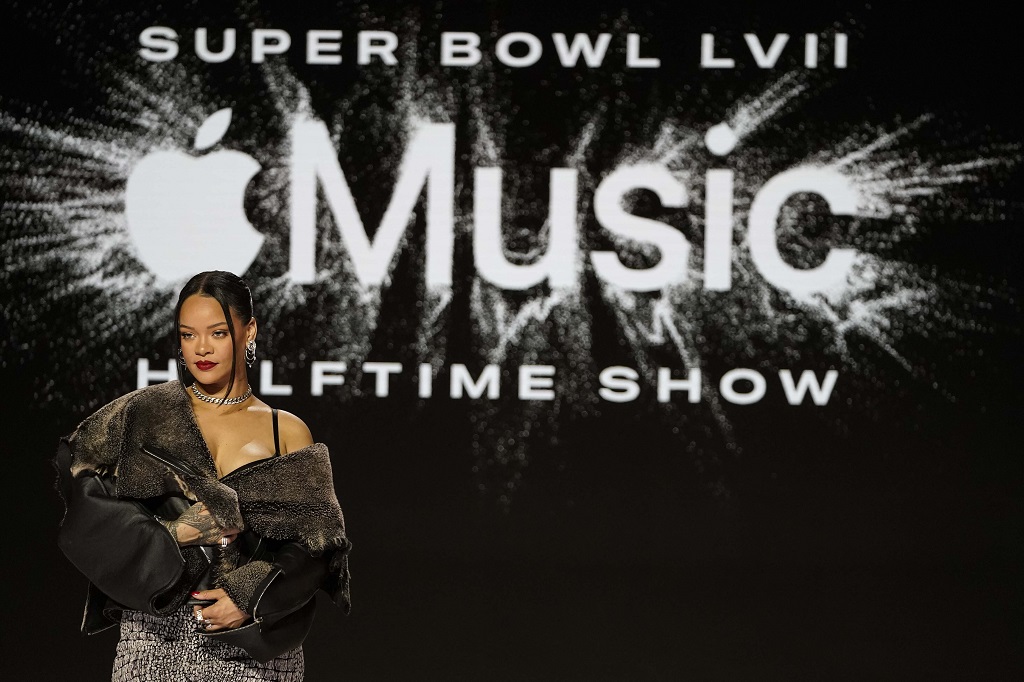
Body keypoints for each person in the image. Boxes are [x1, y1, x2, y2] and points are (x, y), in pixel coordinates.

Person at [55, 271, 351, 682]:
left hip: (249, 646)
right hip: (154, 639)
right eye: (188, 335)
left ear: (249, 332)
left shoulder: (285, 430)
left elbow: (317, 546)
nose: (202, 348)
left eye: (217, 332)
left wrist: (249, 595)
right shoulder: (145, 413)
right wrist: (173, 533)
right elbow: (84, 503)